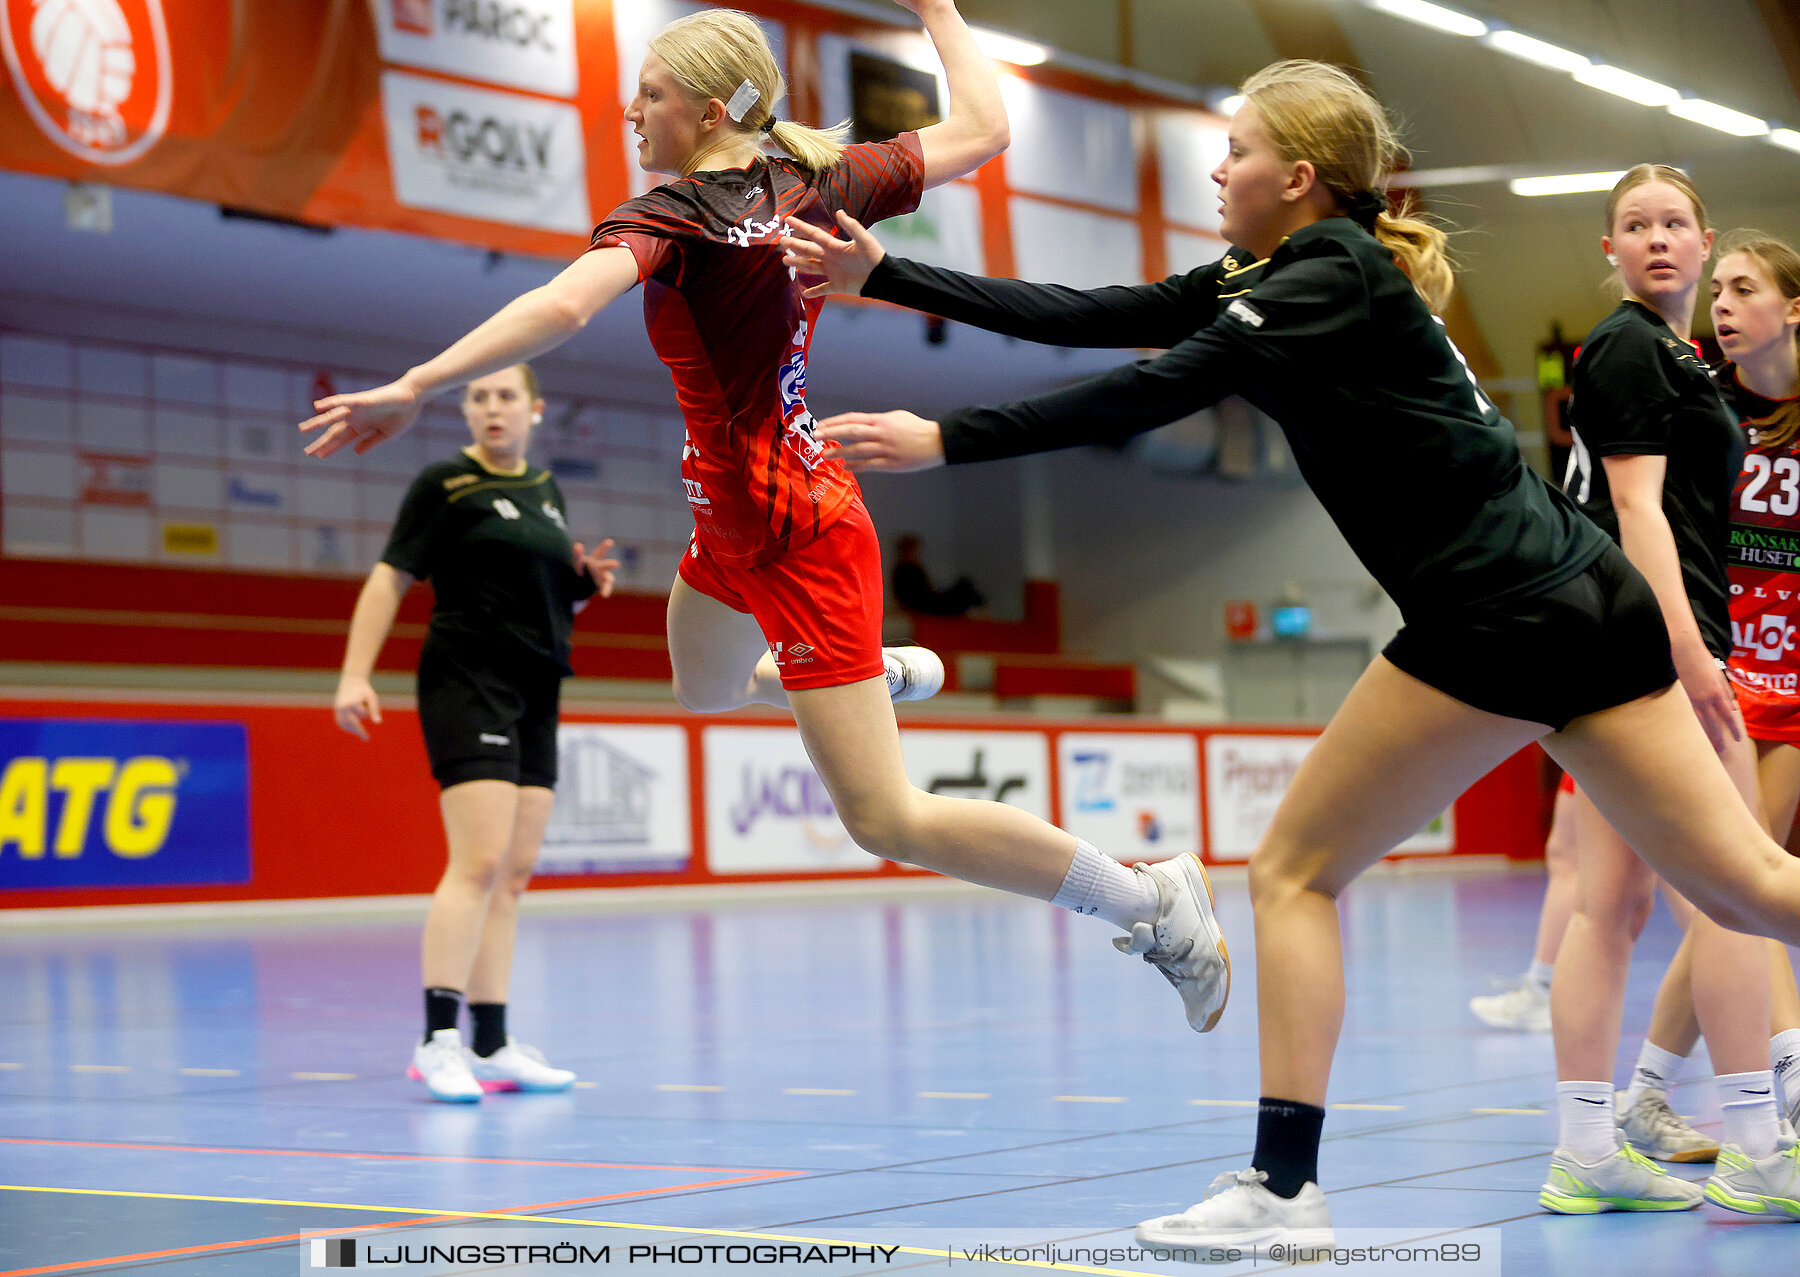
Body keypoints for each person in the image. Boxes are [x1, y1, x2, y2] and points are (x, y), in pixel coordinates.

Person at [783, 60, 1800, 1249]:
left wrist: (945, 437)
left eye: (1239, 151)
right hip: (1591, 602)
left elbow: (1157, 386)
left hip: (1499, 614)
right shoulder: (1290, 269)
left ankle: (1282, 1189)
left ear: (1299, 177)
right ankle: (1298, 1185)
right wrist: (886, 273)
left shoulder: (1326, 274)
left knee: (1292, 872)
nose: (1218, 170)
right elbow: (1107, 311)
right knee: (1751, 885)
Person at [300, 3, 1228, 1041]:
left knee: (886, 818)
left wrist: (419, 383)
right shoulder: (818, 183)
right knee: (701, 690)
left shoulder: (676, 215)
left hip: (804, 537)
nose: (630, 108)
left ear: (702, 110)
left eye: (647, 92)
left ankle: (1150, 899)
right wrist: (939, 12)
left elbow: (563, 309)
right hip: (727, 525)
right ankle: (868, 672)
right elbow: (984, 125)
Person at [1549, 168, 1796, 1217]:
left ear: (1701, 241)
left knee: (1614, 904)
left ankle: (1586, 1146)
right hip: (1651, 652)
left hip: (1613, 652)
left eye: (1674, 224)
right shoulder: (1632, 346)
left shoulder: (1679, 357)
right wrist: (1698, 660)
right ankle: (1756, 1146)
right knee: (1739, 890)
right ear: (1608, 247)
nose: (1657, 239)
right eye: (1635, 225)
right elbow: (1639, 511)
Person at [333, 363, 619, 1102]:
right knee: (478, 858)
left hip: (539, 686)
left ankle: (492, 1040)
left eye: (507, 397)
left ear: (534, 409)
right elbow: (390, 576)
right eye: (480, 397)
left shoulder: (547, 493)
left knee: (515, 872)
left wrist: (582, 587)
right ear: (466, 410)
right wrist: (354, 674)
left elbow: (543, 599)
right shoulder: (444, 485)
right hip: (469, 679)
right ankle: (437, 1039)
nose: (494, 409)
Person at [1713, 228, 1800, 1141]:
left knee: (1746, 891)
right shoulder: (1704, 405)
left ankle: (1650, 1089)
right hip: (1732, 682)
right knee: (1749, 884)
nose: (1724, 304)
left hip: (1798, 679)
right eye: (1719, 290)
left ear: (1794, 306)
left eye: (1744, 287)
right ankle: (1789, 1070)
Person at [891, 533, 983, 616]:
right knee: (964, 587)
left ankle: (976, 606)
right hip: (924, 604)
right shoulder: (904, 570)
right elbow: (914, 595)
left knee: (964, 587)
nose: (917, 553)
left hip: (927, 601)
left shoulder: (910, 568)